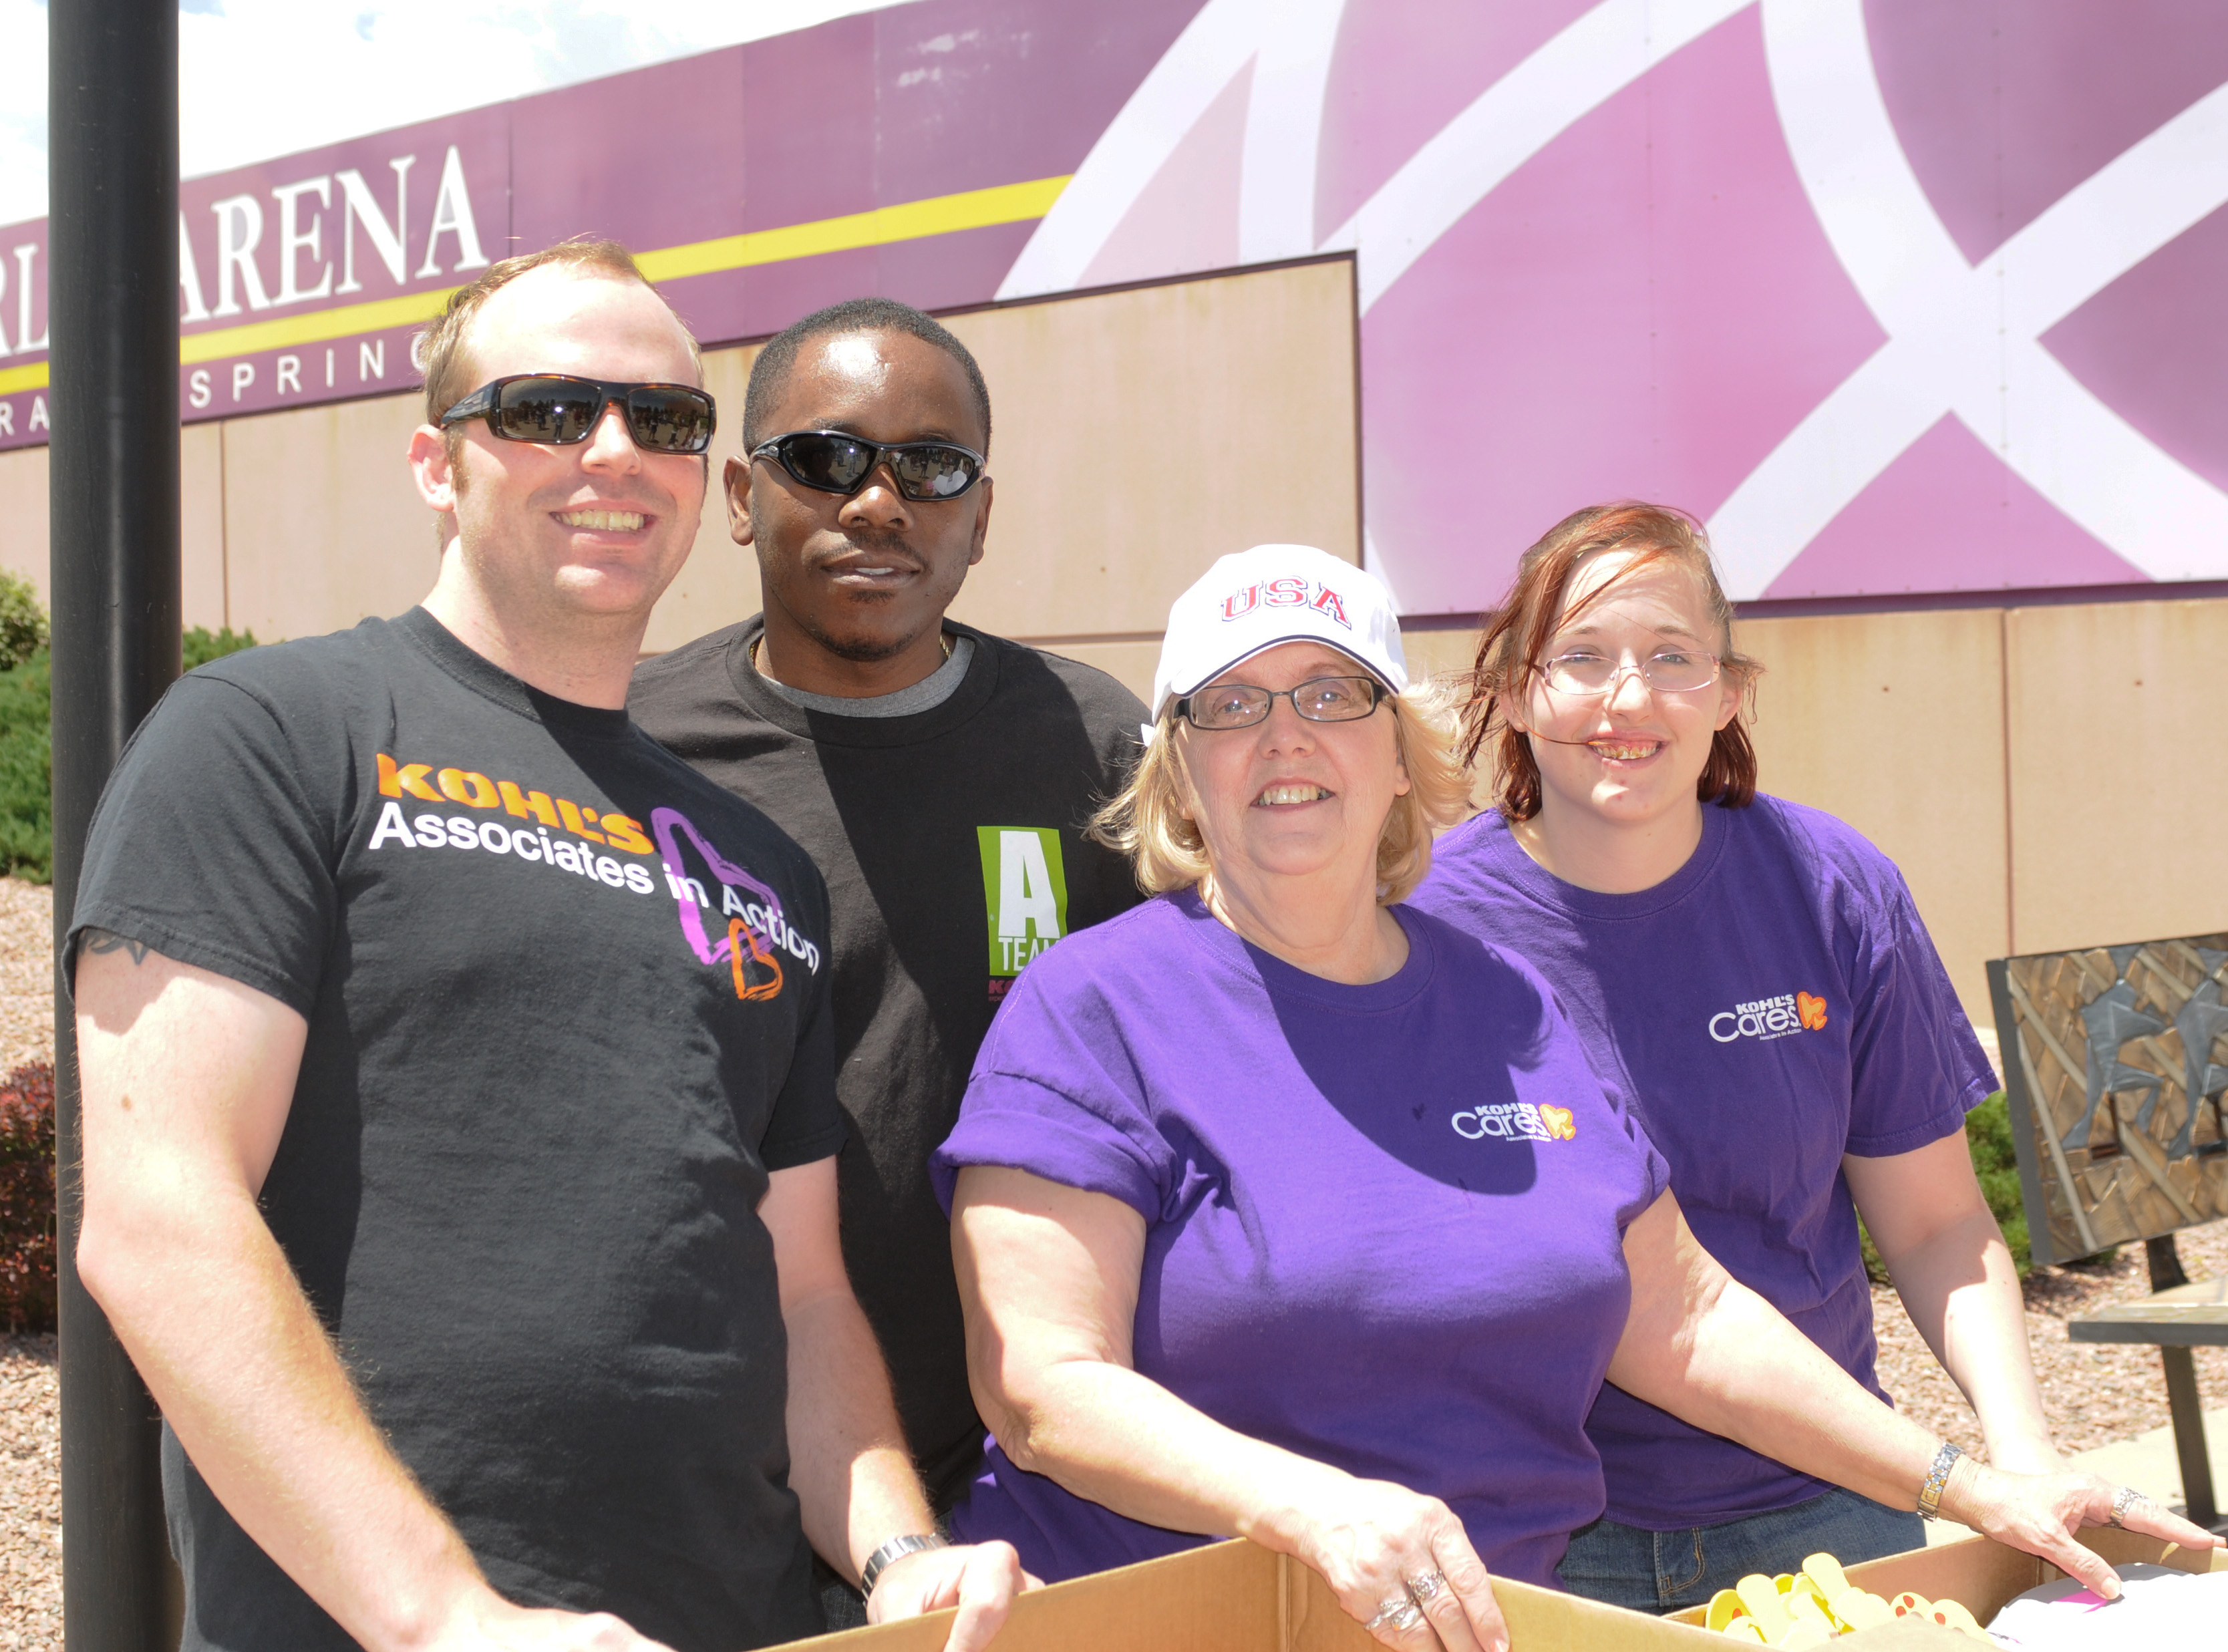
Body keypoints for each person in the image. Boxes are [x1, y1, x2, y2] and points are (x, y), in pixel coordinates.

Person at [929, 542, 2211, 1652]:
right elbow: (1041, 1384)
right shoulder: (1094, 1006)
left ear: (1399, 749)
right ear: (1177, 766)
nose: (1286, 736)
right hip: (1193, 1618)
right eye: (1232, 703)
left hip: (1504, 1619)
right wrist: (1310, 1503)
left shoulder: (1504, 1001)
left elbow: (1689, 1316)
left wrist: (1972, 1480)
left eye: (1333, 693)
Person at [71, 241, 1023, 1652]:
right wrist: (449, 1618)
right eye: (546, 411)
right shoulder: (273, 736)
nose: (615, 451)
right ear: (435, 462)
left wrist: (895, 1556)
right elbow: (160, 1222)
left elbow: (803, 1289)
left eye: (665, 418)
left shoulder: (756, 867)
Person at [1407, 502, 2062, 1612]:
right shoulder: (1420, 928)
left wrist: (2026, 1457)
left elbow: (1939, 1222)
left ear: (1728, 691)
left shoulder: (1833, 887)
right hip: (1538, 1534)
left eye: (1672, 657)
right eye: (1582, 656)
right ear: (1516, 691)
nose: (1629, 698)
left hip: (1834, 1501)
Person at [629, 299, 1147, 1541]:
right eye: (826, 459)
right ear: (745, 497)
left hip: (1019, 1467)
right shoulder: (633, 754)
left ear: (981, 513)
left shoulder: (1091, 746)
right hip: (707, 1470)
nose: (878, 502)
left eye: (931, 466)